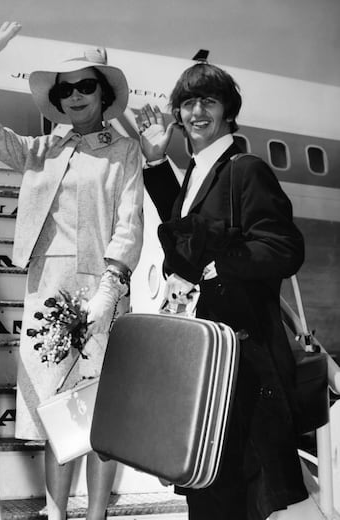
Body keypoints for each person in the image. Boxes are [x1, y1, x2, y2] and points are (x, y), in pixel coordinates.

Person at [0, 22, 144, 520]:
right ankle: (56, 512)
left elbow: (128, 226)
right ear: (57, 101)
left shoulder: (125, 153)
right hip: (47, 291)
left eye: (87, 85)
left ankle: (98, 515)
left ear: (104, 94)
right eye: (66, 89)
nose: (76, 95)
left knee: (100, 411)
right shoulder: (40, 151)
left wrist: (110, 286)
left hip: (103, 290)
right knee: (54, 412)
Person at [136, 62, 308, 520]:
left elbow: (284, 249)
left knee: (237, 491)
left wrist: (215, 268)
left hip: (243, 364)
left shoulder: (245, 169)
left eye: (207, 101)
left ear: (227, 110)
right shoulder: (197, 174)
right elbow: (185, 239)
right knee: (208, 486)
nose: (197, 111)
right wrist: (155, 161)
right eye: (188, 102)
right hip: (208, 362)